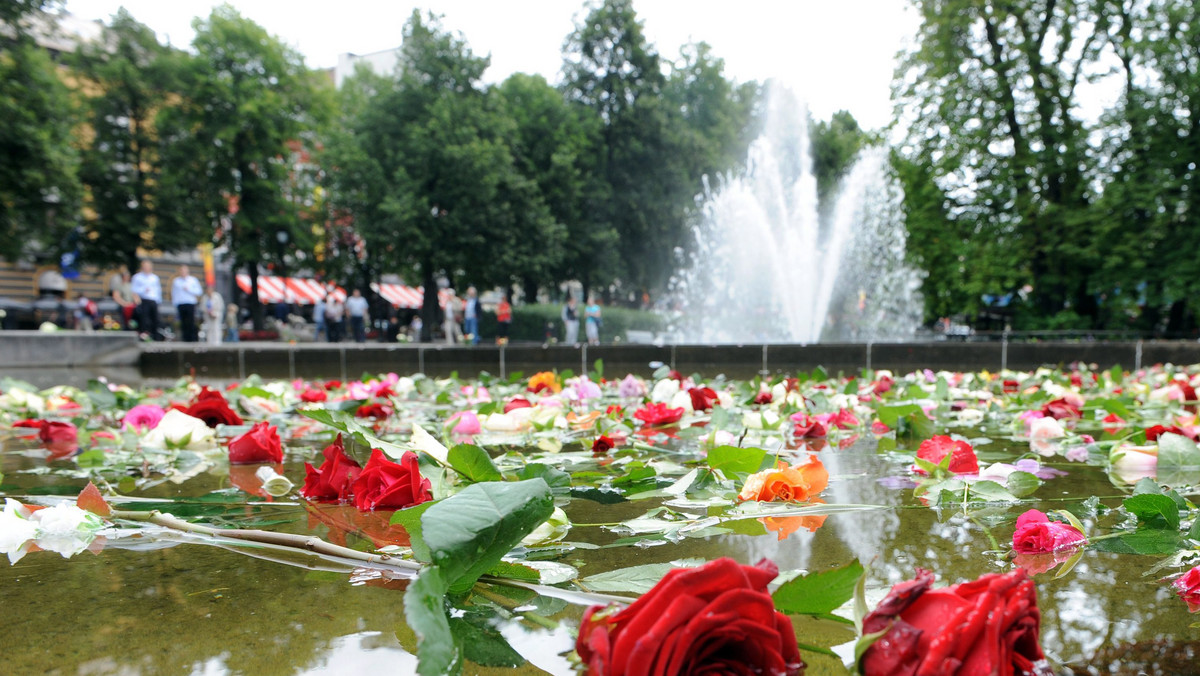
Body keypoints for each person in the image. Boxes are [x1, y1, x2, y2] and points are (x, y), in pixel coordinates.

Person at [130, 260, 162, 340]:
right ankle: (144, 336)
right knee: (144, 320)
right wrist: (143, 290)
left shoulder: (154, 277)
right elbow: (134, 290)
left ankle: (155, 337)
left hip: (153, 300)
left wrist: (158, 301)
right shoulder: (137, 277)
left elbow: (158, 290)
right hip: (143, 300)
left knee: (155, 319)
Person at [171, 264, 202, 342]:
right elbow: (174, 293)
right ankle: (185, 338)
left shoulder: (193, 280)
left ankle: (192, 338)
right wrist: (175, 303)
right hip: (181, 303)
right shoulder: (176, 281)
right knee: (183, 322)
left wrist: (189, 289)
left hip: (190, 303)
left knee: (191, 321)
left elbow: (199, 292)